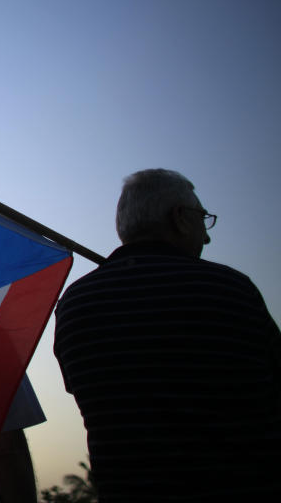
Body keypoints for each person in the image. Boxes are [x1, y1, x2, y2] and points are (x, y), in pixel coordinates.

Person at [54, 168, 281, 501]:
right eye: (203, 218)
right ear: (180, 217)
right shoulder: (229, 288)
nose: (207, 237)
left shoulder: (74, 305)